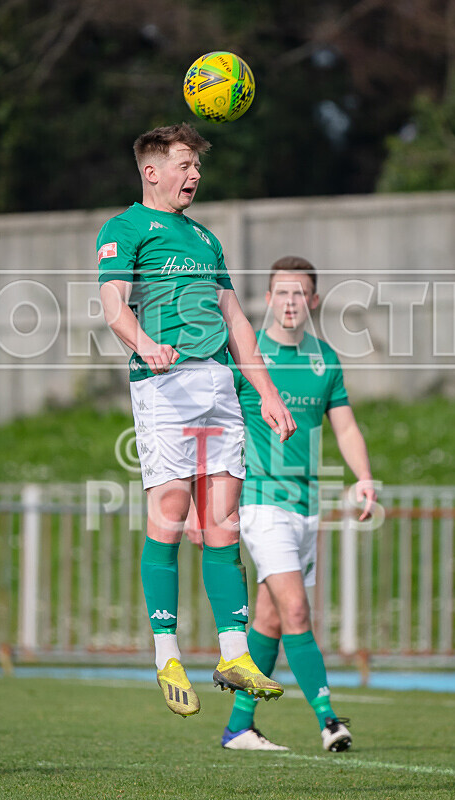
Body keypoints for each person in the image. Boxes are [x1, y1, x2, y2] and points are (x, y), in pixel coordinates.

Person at [97, 124, 296, 718]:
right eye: (185, 165)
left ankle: (233, 654)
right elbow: (112, 304)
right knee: (170, 514)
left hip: (218, 387)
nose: (195, 175)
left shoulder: (207, 237)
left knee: (223, 523)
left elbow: (236, 320)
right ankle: (167, 654)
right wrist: (145, 341)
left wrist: (267, 391)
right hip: (164, 386)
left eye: (198, 166)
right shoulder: (126, 227)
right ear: (151, 170)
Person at [186, 256, 376, 752]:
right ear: (268, 300)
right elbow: (208, 424)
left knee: (270, 620)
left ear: (312, 302)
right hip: (261, 504)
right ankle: (329, 719)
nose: (291, 302)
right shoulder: (247, 356)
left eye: (300, 294)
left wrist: (365, 478)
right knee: (297, 611)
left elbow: (347, 425)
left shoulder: (325, 360)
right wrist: (193, 501)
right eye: (281, 293)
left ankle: (239, 727)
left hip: (307, 507)